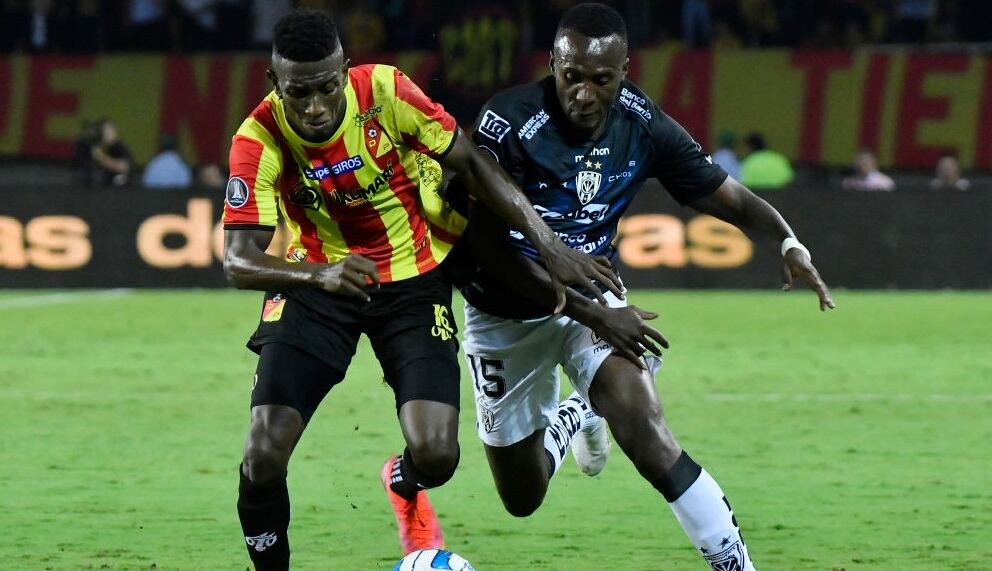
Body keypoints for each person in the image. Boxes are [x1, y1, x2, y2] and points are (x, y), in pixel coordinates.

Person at [220, 9, 620, 570]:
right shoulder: (258, 137)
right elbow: (237, 261)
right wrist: (320, 275)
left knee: (436, 454)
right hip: (315, 284)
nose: (315, 108)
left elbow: (475, 165)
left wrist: (549, 246)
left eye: (327, 88)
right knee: (263, 453)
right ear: (274, 83)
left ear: (346, 71)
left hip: (413, 278)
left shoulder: (386, 91)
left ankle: (401, 481)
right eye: (298, 93)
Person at [452, 4, 835, 571]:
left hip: (594, 300)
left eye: (600, 79)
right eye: (571, 76)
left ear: (624, 70)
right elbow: (485, 253)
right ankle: (575, 415)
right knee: (522, 496)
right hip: (504, 312)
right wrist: (591, 314)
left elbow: (724, 195)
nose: (583, 93)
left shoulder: (644, 124)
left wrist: (787, 241)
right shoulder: (506, 125)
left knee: (650, 434)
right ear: (553, 64)